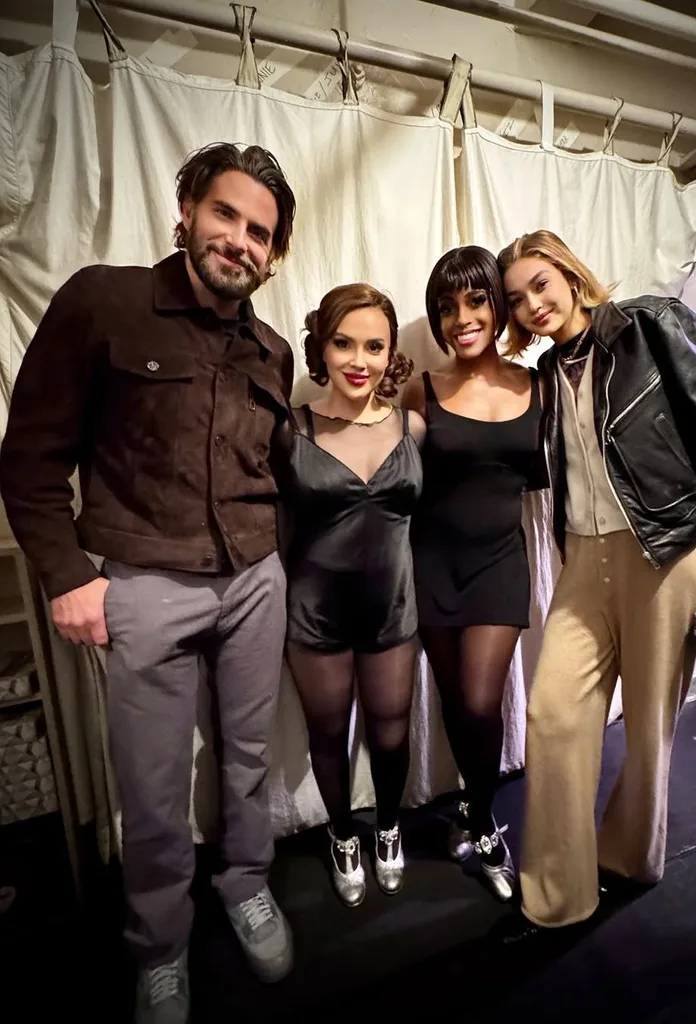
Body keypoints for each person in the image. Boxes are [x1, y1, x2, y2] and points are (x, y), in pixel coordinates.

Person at [0, 142, 298, 1022]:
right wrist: (66, 576)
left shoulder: (273, 350)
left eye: (259, 232)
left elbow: (274, 470)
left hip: (255, 579)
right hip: (142, 584)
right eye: (226, 215)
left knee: (248, 758)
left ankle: (246, 884)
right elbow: (29, 456)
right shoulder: (103, 300)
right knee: (152, 784)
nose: (239, 240)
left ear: (273, 256)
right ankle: (159, 947)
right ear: (187, 211)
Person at [497, 229, 696, 940]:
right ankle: (554, 894)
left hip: (665, 551)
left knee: (649, 729)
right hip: (582, 561)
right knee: (552, 717)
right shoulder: (547, 375)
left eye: (540, 284)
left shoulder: (652, 325)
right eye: (517, 298)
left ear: (568, 274)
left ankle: (631, 858)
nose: (531, 304)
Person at [402, 245, 544, 901]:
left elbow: (553, 478)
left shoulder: (534, 385)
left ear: (495, 303)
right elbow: (390, 467)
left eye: (475, 300)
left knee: (483, 700)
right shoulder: (421, 388)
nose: (461, 317)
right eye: (446, 307)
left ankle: (485, 825)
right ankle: (475, 806)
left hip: (498, 563)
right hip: (431, 562)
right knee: (456, 701)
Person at [285, 283, 424, 907]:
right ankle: (344, 836)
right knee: (328, 731)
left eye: (374, 345)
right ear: (322, 345)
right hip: (314, 613)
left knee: (392, 733)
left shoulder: (411, 426)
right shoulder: (292, 428)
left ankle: (387, 825)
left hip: (393, 609)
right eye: (344, 343)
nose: (358, 359)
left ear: (391, 352)